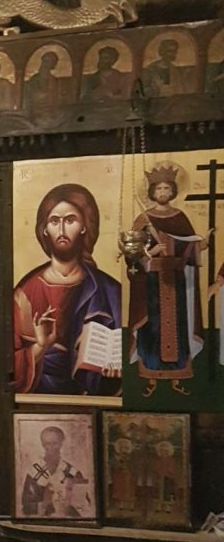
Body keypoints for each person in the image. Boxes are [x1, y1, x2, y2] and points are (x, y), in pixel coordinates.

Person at [14, 183, 121, 397]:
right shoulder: (26, 291)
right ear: (45, 229)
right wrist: (41, 346)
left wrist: (116, 371)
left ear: (84, 227)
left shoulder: (109, 289)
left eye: (70, 220)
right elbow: (7, 363)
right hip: (42, 396)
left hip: (94, 397)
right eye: (54, 221)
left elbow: (128, 350)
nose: (61, 231)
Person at [128, 164, 208, 397]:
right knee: (152, 330)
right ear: (151, 191)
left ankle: (177, 378)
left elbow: (188, 248)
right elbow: (132, 253)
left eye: (166, 188)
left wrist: (200, 245)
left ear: (173, 190)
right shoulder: (143, 219)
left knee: (179, 329)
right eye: (158, 188)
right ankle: (151, 378)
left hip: (176, 282)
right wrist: (150, 253)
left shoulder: (180, 217)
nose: (162, 192)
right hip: (152, 284)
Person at [21, 426, 92, 519]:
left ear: (61, 443)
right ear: (42, 444)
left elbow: (84, 503)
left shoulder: (73, 472)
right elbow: (26, 505)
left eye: (55, 443)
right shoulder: (34, 472)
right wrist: (45, 503)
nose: (51, 447)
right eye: (47, 443)